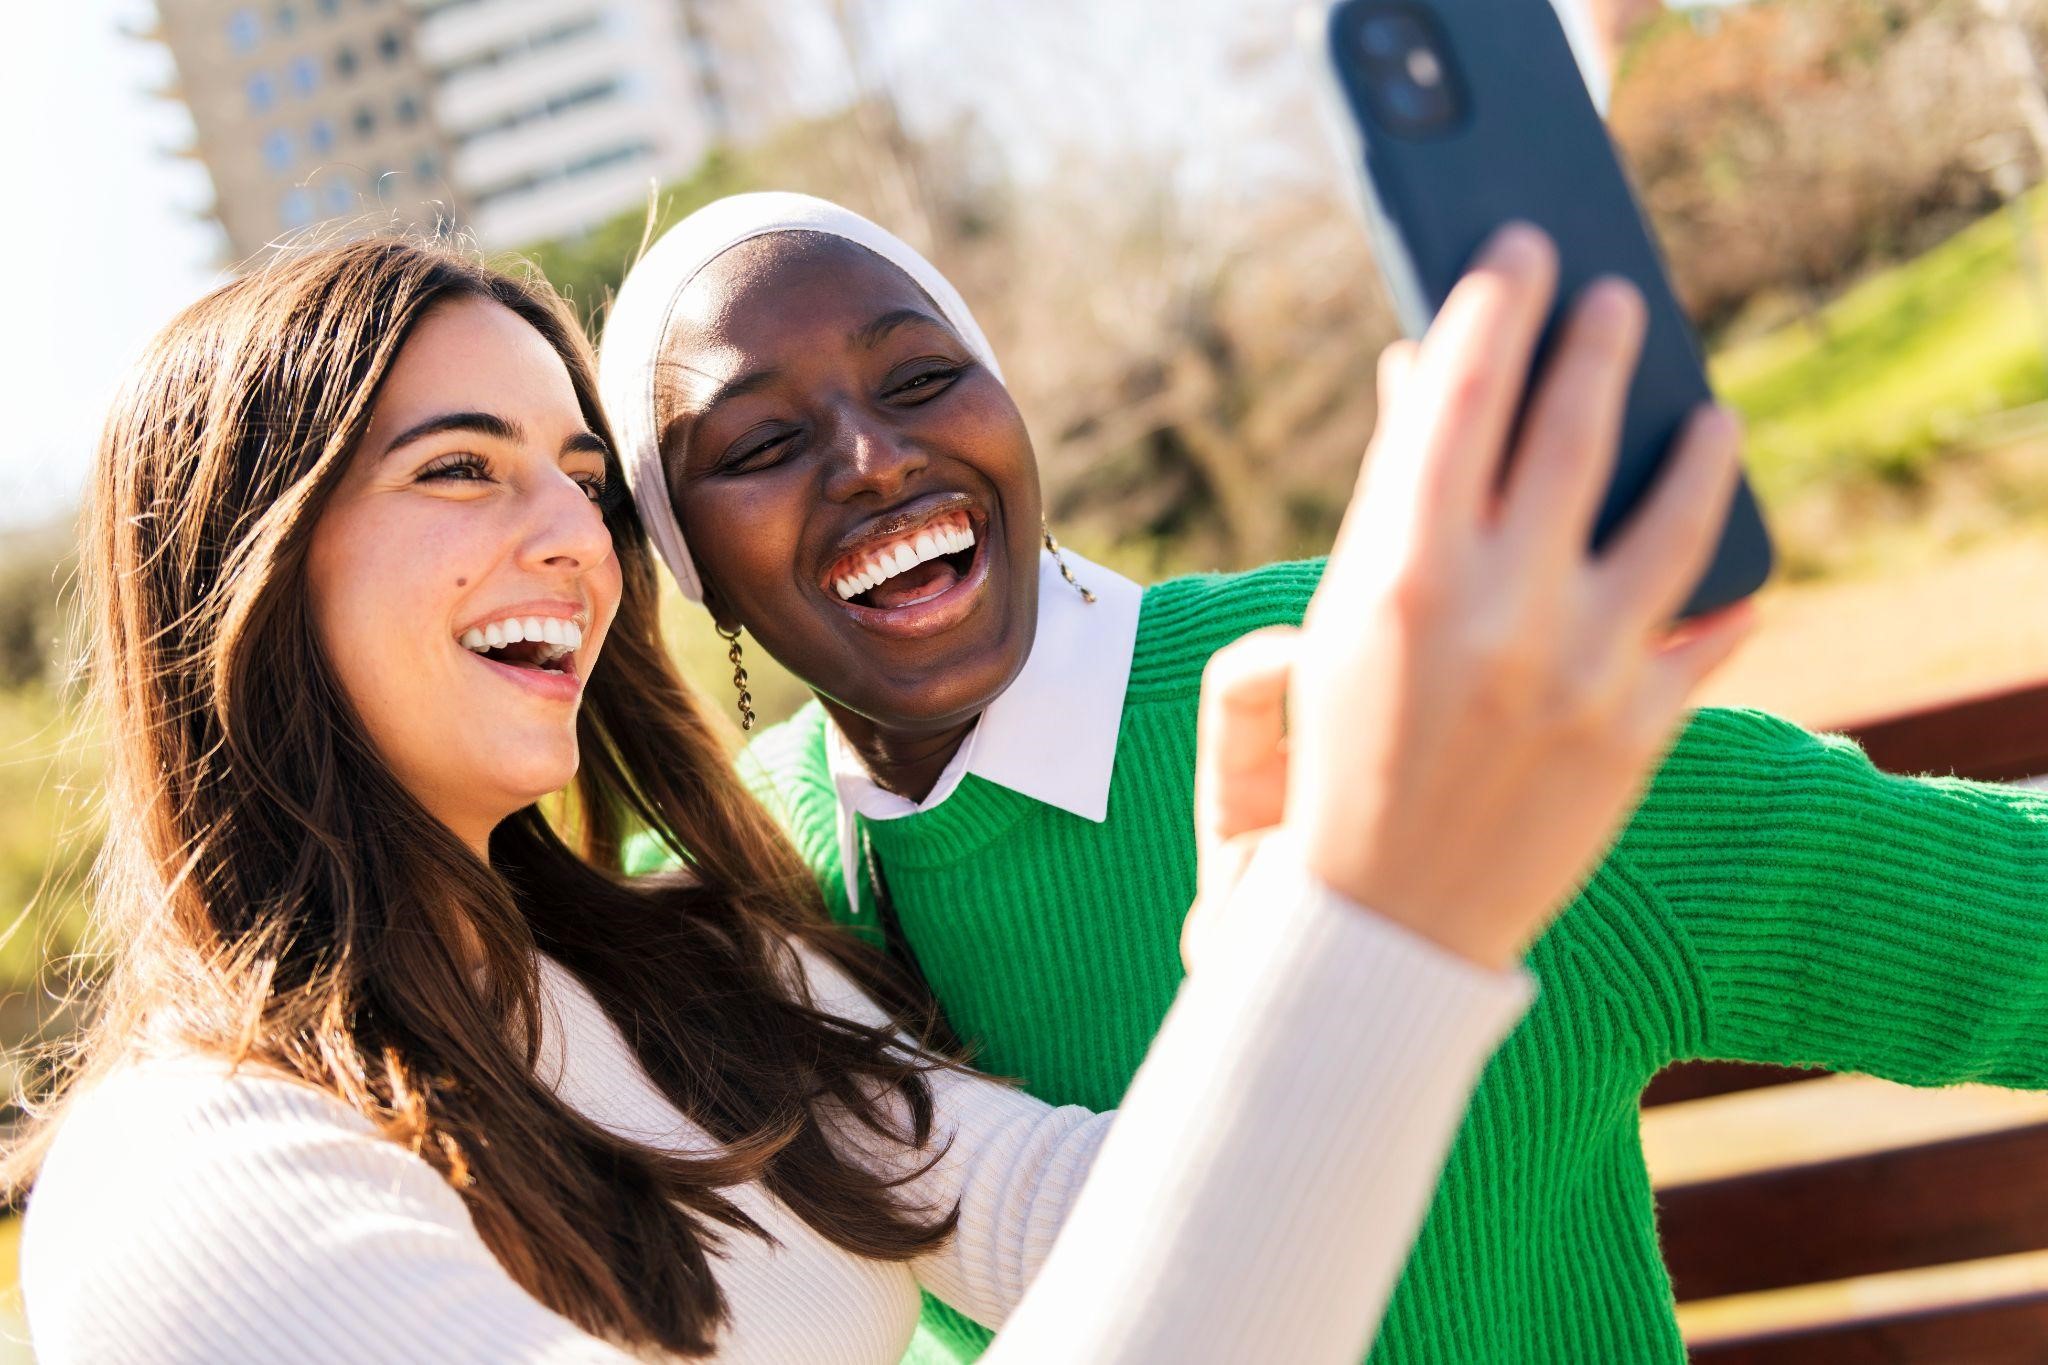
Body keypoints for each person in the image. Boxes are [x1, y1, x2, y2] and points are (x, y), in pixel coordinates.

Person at [12, 228, 1732, 1363]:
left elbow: (1110, 1230)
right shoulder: (189, 1187)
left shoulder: (700, 986)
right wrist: (1367, 941)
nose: (565, 535)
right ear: (232, 575)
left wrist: (1283, 943)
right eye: (459, 467)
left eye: (584, 477)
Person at [603, 186, 2048, 1364]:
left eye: (923, 377)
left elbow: (2002, 925)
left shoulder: (1393, 687)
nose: (869, 457)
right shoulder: (725, 917)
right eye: (764, 444)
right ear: (691, 564)